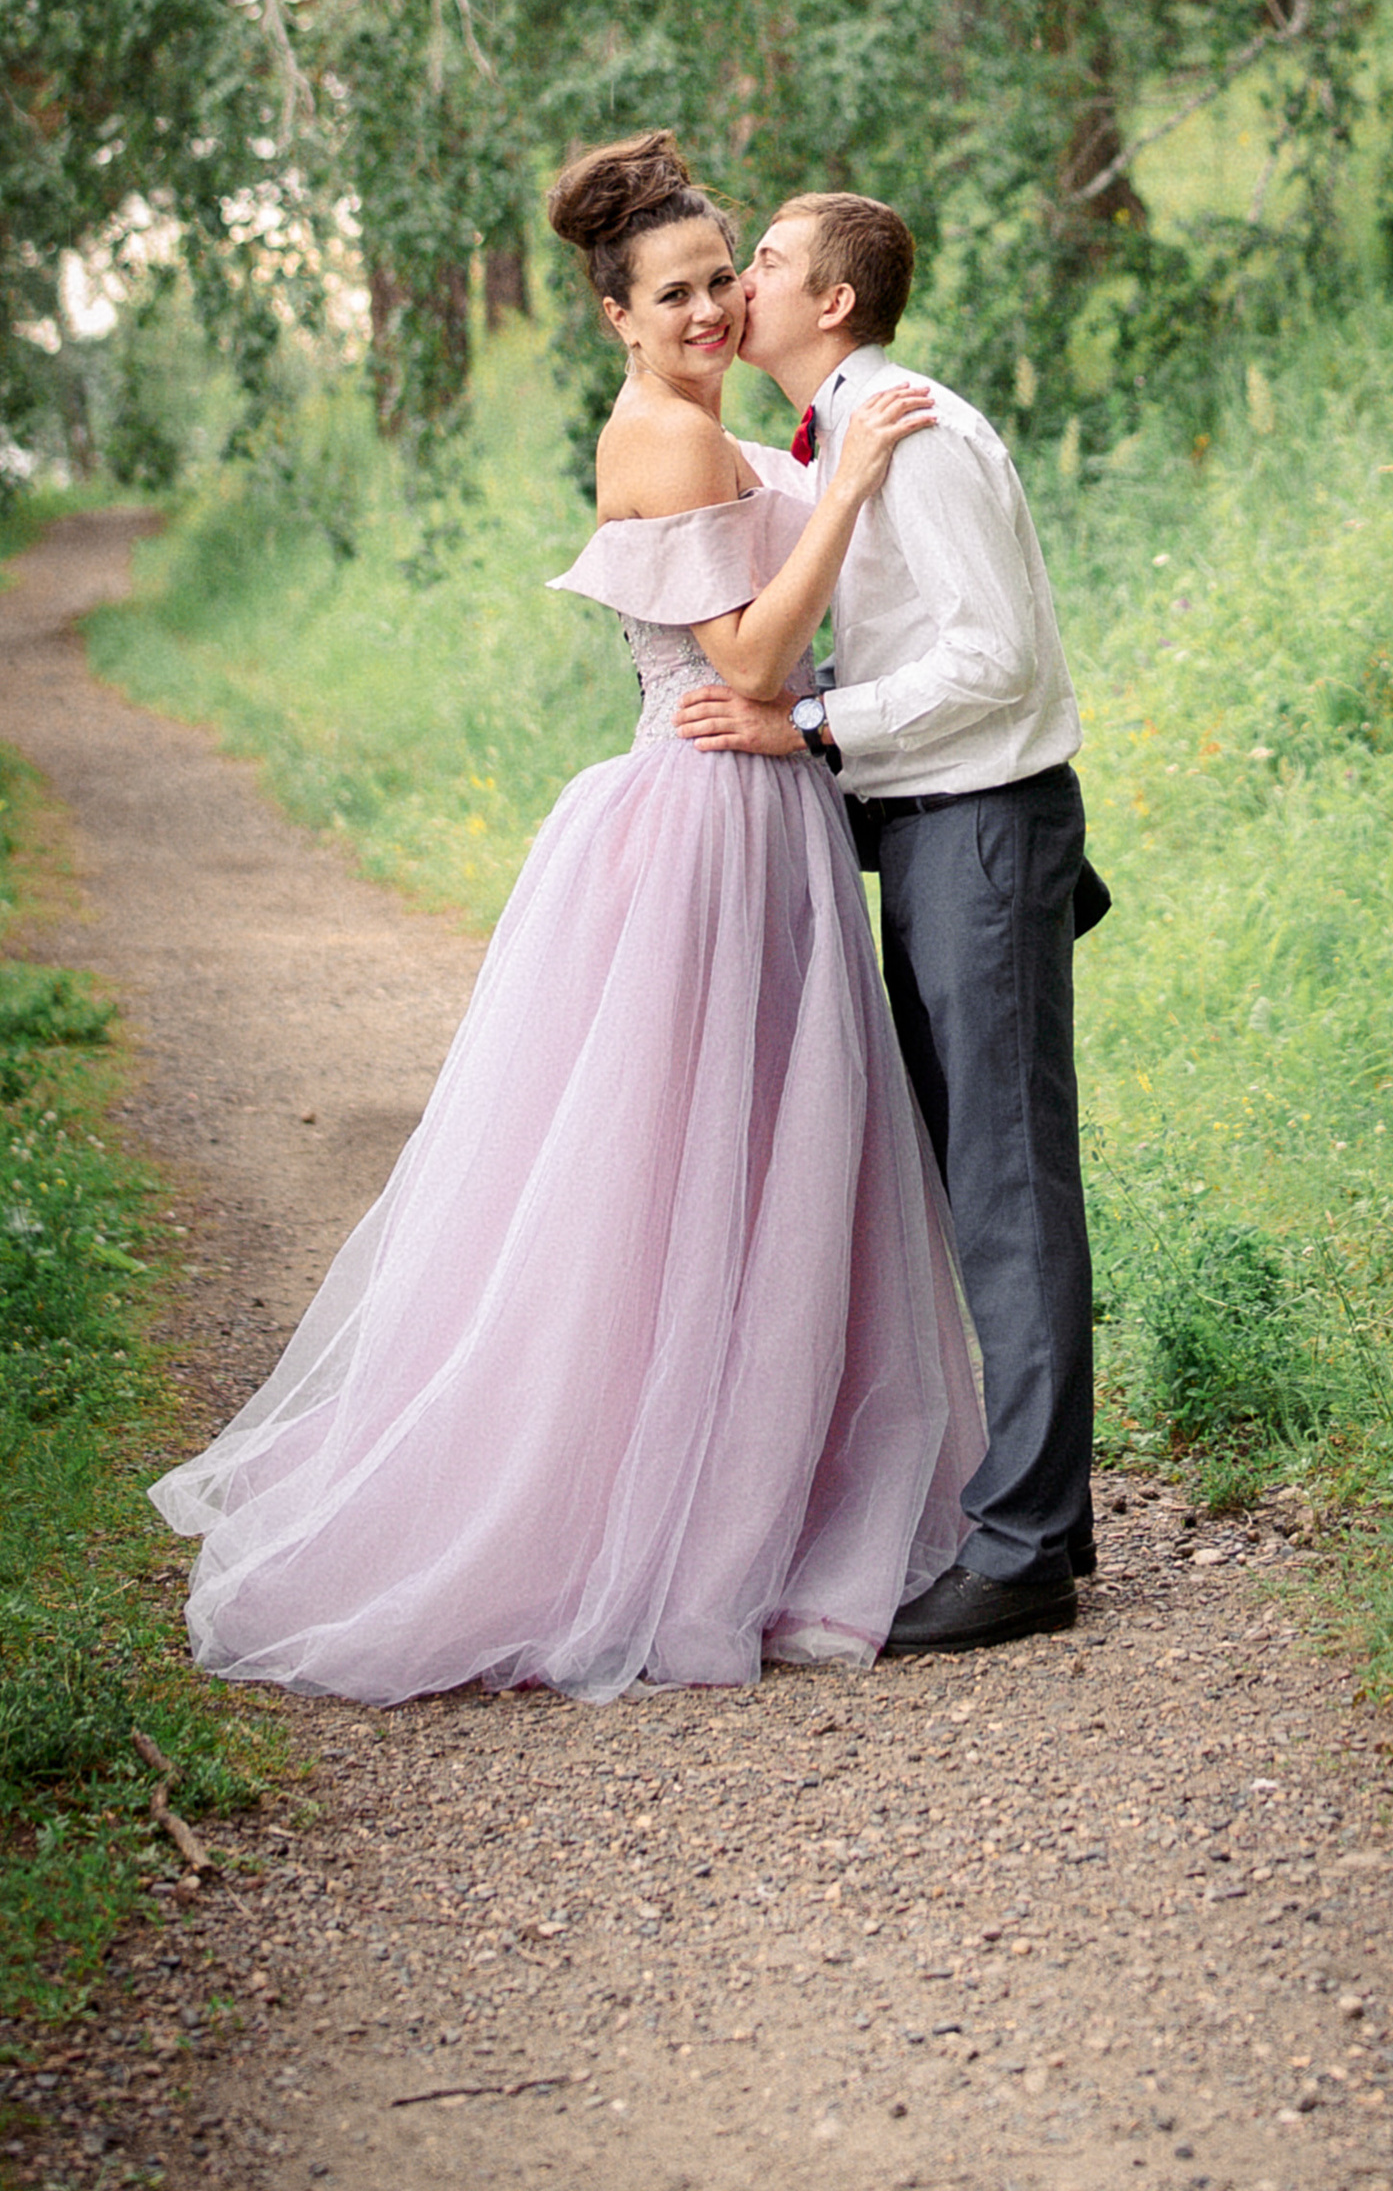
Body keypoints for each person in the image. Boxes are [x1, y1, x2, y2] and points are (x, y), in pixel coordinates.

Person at [151, 133, 983, 1704]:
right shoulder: (658, 444)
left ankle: (780, 1486)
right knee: (681, 1173)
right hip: (707, 823)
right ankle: (648, 1518)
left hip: (771, 816)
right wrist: (851, 483)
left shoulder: (717, 419)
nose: (708, 310)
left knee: (768, 1162)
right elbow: (740, 665)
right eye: (672, 293)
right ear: (615, 313)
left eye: (723, 278)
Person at [672, 190, 1097, 1652]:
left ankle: (1029, 1548)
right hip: (926, 834)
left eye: (768, 265)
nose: (742, 287)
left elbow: (1000, 657)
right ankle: (1004, 1514)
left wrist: (815, 723)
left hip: (981, 832)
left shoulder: (908, 428)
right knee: (971, 1174)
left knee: (1008, 1180)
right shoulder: (840, 437)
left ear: (833, 304)